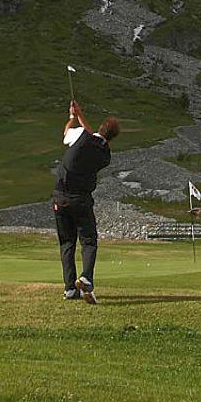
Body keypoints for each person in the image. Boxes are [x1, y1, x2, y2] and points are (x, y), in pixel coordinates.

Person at [53, 101, 120, 304]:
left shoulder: (81, 135)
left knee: (67, 243)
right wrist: (80, 116)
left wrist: (73, 117)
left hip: (60, 197)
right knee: (89, 241)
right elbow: (94, 140)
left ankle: (70, 289)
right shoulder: (105, 156)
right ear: (112, 138)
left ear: (100, 128)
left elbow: (66, 133)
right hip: (82, 200)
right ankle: (86, 278)